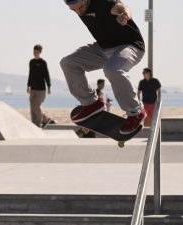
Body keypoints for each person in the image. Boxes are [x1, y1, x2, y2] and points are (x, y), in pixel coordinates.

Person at [61, 0, 145, 135]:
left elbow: (122, 7)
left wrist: (124, 15)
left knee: (112, 69)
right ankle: (91, 104)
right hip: (103, 48)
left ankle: (136, 112)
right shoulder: (78, 6)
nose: (78, 12)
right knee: (68, 63)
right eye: (73, 10)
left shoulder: (102, 3)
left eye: (80, 8)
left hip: (130, 46)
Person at [27, 44, 55, 128]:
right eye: (34, 52)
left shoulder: (43, 62)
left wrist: (49, 86)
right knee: (32, 107)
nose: (34, 53)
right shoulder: (31, 62)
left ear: (40, 52)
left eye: (36, 52)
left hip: (41, 89)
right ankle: (35, 124)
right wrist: (28, 86)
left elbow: (46, 74)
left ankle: (41, 121)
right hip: (33, 88)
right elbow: (30, 74)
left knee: (36, 106)